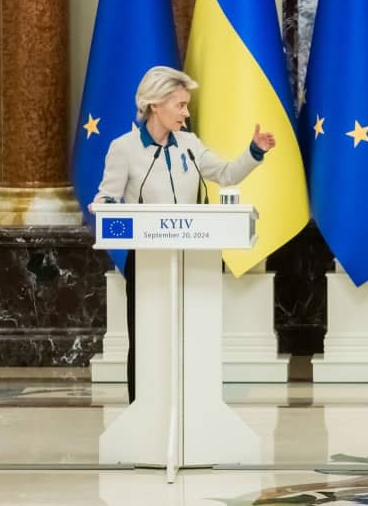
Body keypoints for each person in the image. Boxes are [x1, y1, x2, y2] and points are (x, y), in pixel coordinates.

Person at [91, 66, 276, 403]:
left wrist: (254, 151)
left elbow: (225, 174)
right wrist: (103, 205)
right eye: (180, 105)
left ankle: (194, 407)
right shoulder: (125, 148)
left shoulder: (189, 144)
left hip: (195, 260)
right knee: (147, 339)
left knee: (193, 338)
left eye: (186, 105)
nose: (186, 113)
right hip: (147, 262)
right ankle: (143, 411)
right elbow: (108, 195)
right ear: (155, 105)